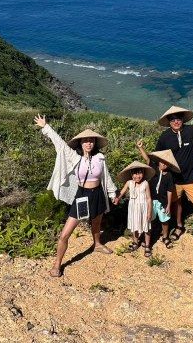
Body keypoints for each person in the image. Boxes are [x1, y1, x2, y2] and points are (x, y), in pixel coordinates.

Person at [34, 115, 118, 277]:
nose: (88, 143)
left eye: (91, 140)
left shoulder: (100, 158)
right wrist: (46, 127)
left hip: (98, 194)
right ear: (80, 143)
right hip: (82, 195)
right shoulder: (75, 157)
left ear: (95, 143)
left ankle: (97, 244)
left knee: (96, 223)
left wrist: (112, 192)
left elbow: (106, 177)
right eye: (85, 140)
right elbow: (60, 144)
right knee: (65, 233)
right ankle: (57, 264)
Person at [154, 105, 193, 245]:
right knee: (176, 204)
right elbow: (158, 156)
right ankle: (179, 226)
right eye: (173, 119)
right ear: (169, 122)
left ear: (183, 119)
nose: (176, 122)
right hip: (173, 179)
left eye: (178, 118)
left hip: (191, 178)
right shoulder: (165, 137)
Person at [135, 140, 179, 249]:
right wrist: (141, 148)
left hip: (163, 201)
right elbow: (147, 159)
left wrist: (168, 204)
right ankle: (148, 238)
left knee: (164, 220)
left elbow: (170, 191)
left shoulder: (169, 176)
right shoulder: (153, 169)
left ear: (169, 164)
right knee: (149, 219)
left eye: (166, 162)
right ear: (158, 161)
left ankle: (165, 236)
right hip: (151, 200)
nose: (163, 164)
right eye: (162, 161)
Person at [113, 161, 155, 257]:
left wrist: (149, 212)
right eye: (135, 173)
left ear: (143, 173)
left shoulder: (145, 183)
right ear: (131, 174)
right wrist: (117, 198)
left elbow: (149, 199)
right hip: (133, 208)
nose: (137, 176)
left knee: (146, 227)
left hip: (144, 208)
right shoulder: (129, 183)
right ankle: (136, 242)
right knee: (134, 226)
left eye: (140, 173)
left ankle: (147, 245)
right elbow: (122, 192)